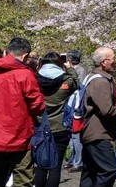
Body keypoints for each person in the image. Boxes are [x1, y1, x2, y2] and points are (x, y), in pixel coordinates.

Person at [0, 37, 45, 187]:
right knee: (22, 176)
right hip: (19, 135)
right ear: (25, 55)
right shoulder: (25, 74)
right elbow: (37, 105)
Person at [34, 52, 78, 187]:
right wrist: (69, 68)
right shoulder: (66, 80)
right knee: (55, 166)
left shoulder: (34, 79)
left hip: (39, 127)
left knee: (40, 165)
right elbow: (76, 83)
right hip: (60, 127)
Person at [80, 47, 116, 187]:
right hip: (98, 134)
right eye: (113, 58)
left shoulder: (91, 77)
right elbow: (107, 110)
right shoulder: (101, 81)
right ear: (104, 62)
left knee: (90, 172)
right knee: (109, 170)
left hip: (89, 132)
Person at [64, 49, 88, 172]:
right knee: (70, 136)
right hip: (69, 104)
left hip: (77, 105)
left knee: (76, 136)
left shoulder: (81, 70)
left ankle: (78, 162)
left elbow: (80, 87)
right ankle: (72, 160)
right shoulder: (70, 70)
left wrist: (71, 71)